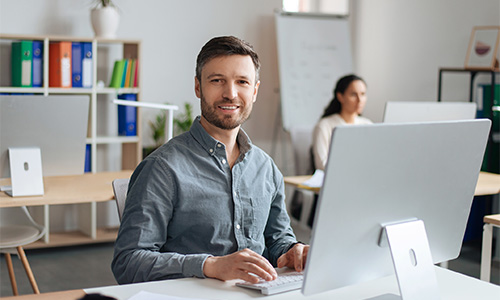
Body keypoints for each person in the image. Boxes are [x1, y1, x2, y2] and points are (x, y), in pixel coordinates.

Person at [111, 36, 309, 285]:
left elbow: (278, 240)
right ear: (198, 87)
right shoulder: (162, 168)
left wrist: (293, 252)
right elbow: (128, 262)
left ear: (255, 91)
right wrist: (209, 266)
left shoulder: (265, 167)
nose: (230, 93)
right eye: (217, 81)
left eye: (242, 82)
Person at [312, 74, 372, 171]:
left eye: (363, 94)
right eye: (353, 95)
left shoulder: (368, 125)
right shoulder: (325, 126)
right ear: (340, 97)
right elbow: (322, 164)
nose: (359, 100)